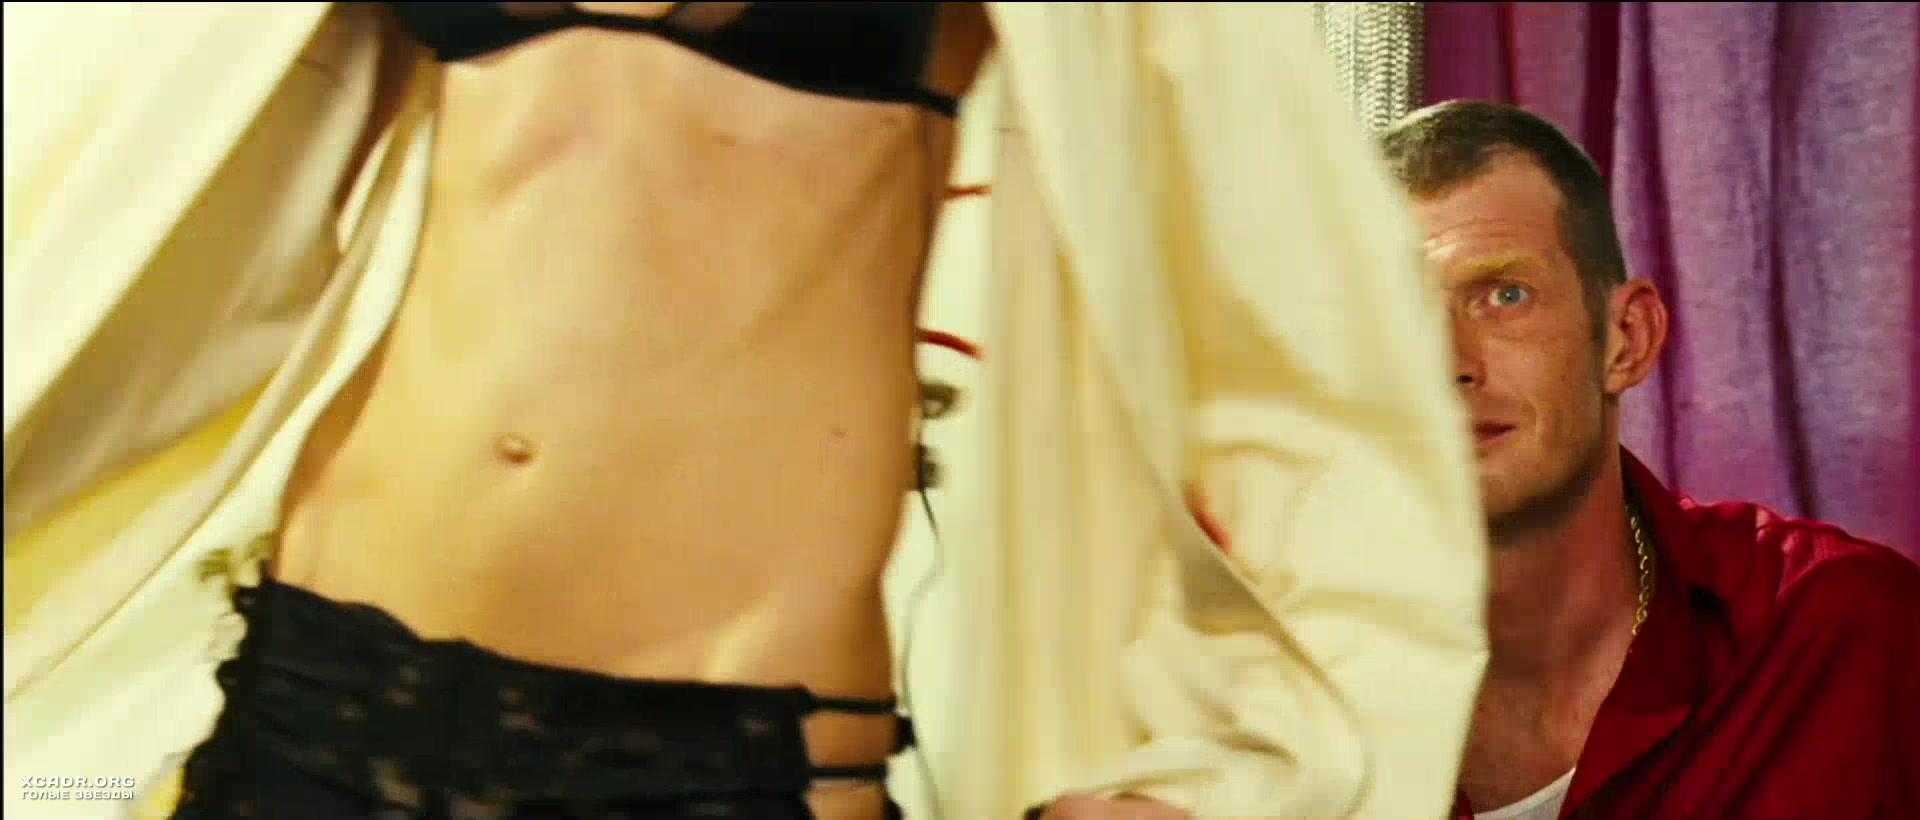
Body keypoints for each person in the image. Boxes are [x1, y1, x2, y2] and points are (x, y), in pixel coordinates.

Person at [4, 4, 1492, 819]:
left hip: (726, 752)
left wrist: (1231, 775)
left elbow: (1293, 332)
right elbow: (137, 147)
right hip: (341, 691)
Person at [1379, 100, 1920, 819]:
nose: (1447, 361)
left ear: (1627, 339)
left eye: (1505, 296)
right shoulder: (1272, 695)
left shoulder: (1851, 636)